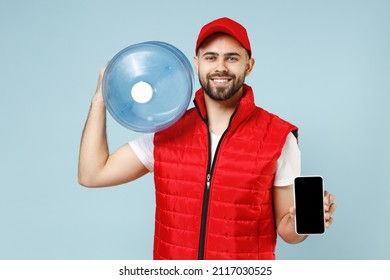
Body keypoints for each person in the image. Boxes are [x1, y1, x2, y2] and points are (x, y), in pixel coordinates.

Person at [78, 17, 336, 260]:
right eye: (211, 57)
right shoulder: (166, 131)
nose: (220, 67)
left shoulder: (279, 136)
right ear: (197, 62)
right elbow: (92, 174)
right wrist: (100, 98)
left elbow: (288, 233)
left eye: (232, 58)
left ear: (249, 65)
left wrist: (297, 222)